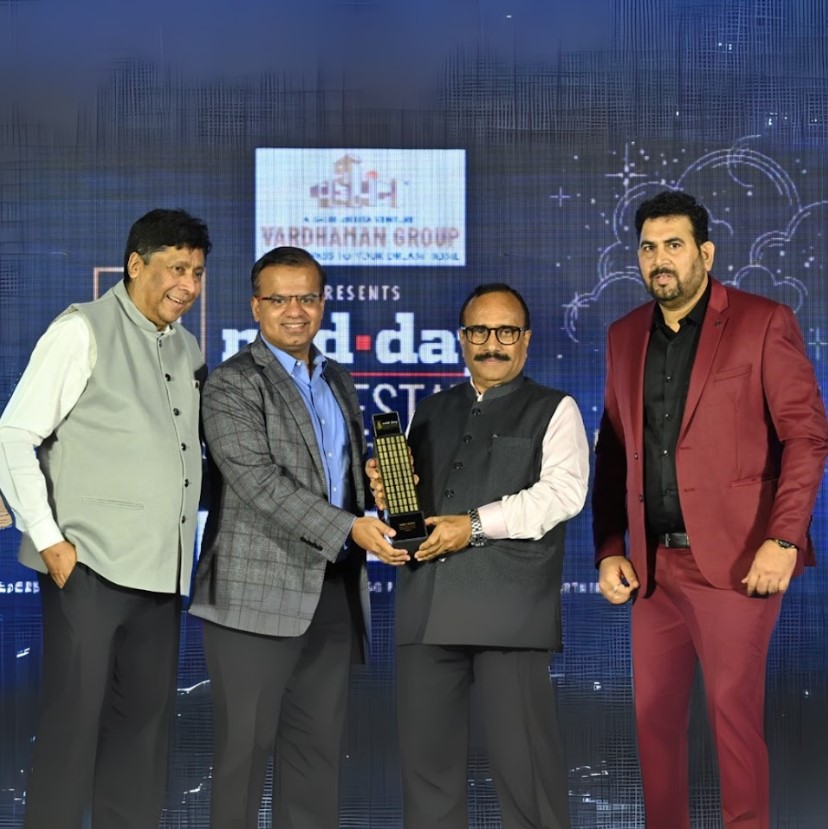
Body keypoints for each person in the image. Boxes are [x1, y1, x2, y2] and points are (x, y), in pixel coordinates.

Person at [592, 190, 828, 829]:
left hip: (737, 560)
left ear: (706, 253)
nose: (660, 259)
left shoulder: (762, 321)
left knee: (732, 717)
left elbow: (807, 436)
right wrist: (610, 547)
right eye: (648, 247)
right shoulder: (623, 336)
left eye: (674, 245)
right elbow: (613, 451)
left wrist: (783, 539)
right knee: (653, 722)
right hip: (653, 570)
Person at [0, 208, 212, 828]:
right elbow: (14, 435)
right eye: (177, 268)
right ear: (135, 265)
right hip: (86, 568)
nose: (189, 285)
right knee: (72, 732)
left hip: (161, 574)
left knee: (143, 738)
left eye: (198, 272)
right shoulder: (81, 330)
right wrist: (50, 542)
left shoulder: (187, 348)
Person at [189, 245, 406, 829]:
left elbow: (337, 478)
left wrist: (373, 486)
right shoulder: (232, 383)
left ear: (323, 303)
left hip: (332, 591)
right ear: (256, 306)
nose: (295, 311)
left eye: (307, 298)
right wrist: (350, 527)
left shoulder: (338, 378)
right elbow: (258, 483)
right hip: (252, 598)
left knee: (315, 762)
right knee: (242, 761)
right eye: (279, 299)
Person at [369, 283, 589, 829]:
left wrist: (471, 526)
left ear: (526, 339)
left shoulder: (555, 409)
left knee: (527, 774)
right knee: (427, 779)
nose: (493, 344)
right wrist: (389, 495)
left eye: (506, 332)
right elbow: (416, 511)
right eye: (480, 331)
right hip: (426, 611)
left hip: (510, 613)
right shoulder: (429, 411)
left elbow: (563, 495)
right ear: (462, 339)